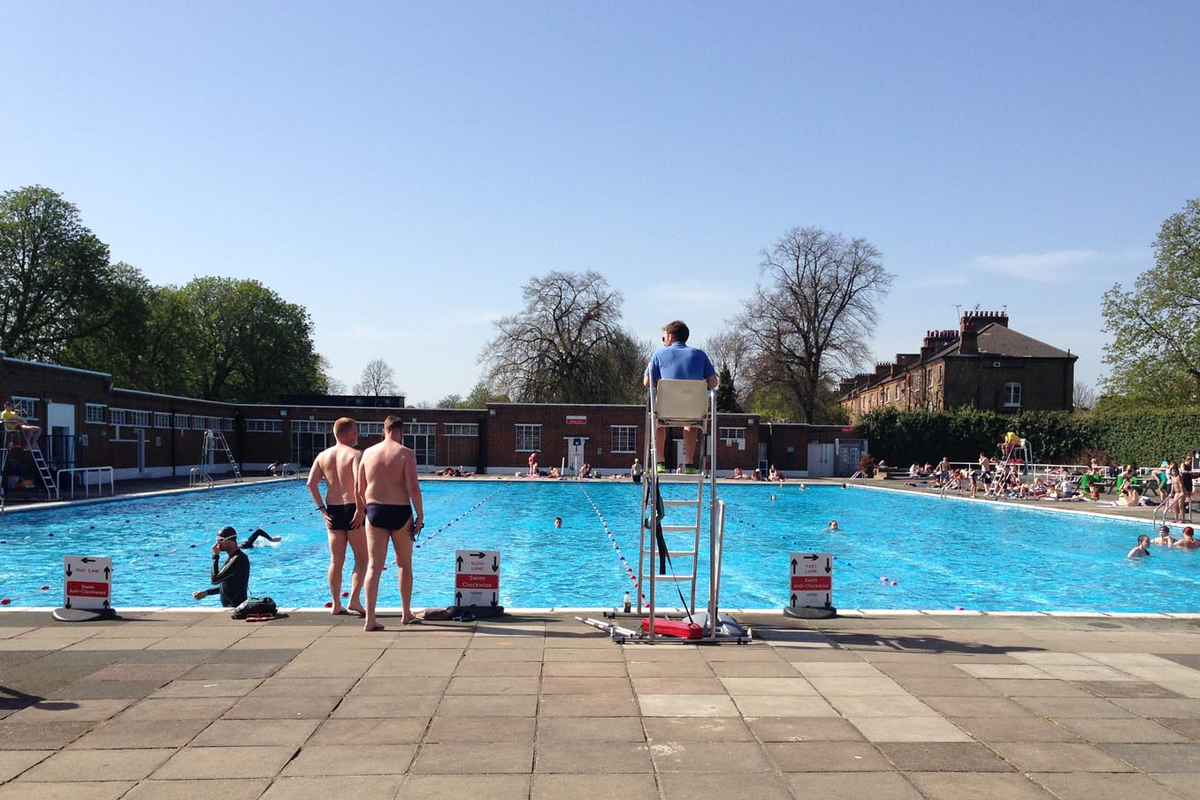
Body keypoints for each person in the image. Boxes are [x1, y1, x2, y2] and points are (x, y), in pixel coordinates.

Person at [358, 415, 425, 631]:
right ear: (401, 433)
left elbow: (360, 490)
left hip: (375, 511)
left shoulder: (367, 453)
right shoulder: (406, 453)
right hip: (400, 512)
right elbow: (413, 488)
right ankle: (405, 613)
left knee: (373, 566)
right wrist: (420, 516)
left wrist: (368, 510)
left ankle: (369, 620)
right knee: (404, 565)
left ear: (383, 431)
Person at [307, 417, 367, 617]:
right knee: (362, 559)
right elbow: (360, 486)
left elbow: (311, 484)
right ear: (348, 433)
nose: (357, 435)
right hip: (352, 508)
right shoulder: (355, 455)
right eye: (356, 431)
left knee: (336, 560)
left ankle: (335, 604)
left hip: (332, 509)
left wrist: (322, 511)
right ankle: (355, 600)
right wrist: (360, 509)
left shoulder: (323, 456)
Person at [643, 320, 719, 474]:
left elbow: (646, 382)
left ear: (671, 337)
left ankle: (660, 462)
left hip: (666, 408)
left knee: (658, 420)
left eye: (663, 338)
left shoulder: (659, 354)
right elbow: (713, 382)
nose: (663, 342)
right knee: (690, 421)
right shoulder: (700, 354)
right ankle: (690, 464)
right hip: (693, 409)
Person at [192, 526, 250, 606]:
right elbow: (228, 586)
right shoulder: (232, 558)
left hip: (236, 608)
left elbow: (215, 580)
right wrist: (206, 593)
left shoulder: (239, 559)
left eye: (221, 540)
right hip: (232, 608)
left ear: (231, 541)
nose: (217, 544)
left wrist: (215, 556)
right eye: (217, 540)